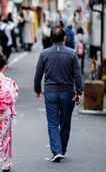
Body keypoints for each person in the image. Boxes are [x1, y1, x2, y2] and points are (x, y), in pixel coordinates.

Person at [34, 26, 83, 162]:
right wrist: (79, 92)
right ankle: (62, 149)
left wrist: (37, 90)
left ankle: (57, 150)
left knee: (53, 122)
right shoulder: (72, 53)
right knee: (65, 122)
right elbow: (77, 75)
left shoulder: (44, 54)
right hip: (68, 92)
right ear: (64, 38)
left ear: (51, 39)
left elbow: (38, 74)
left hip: (50, 93)